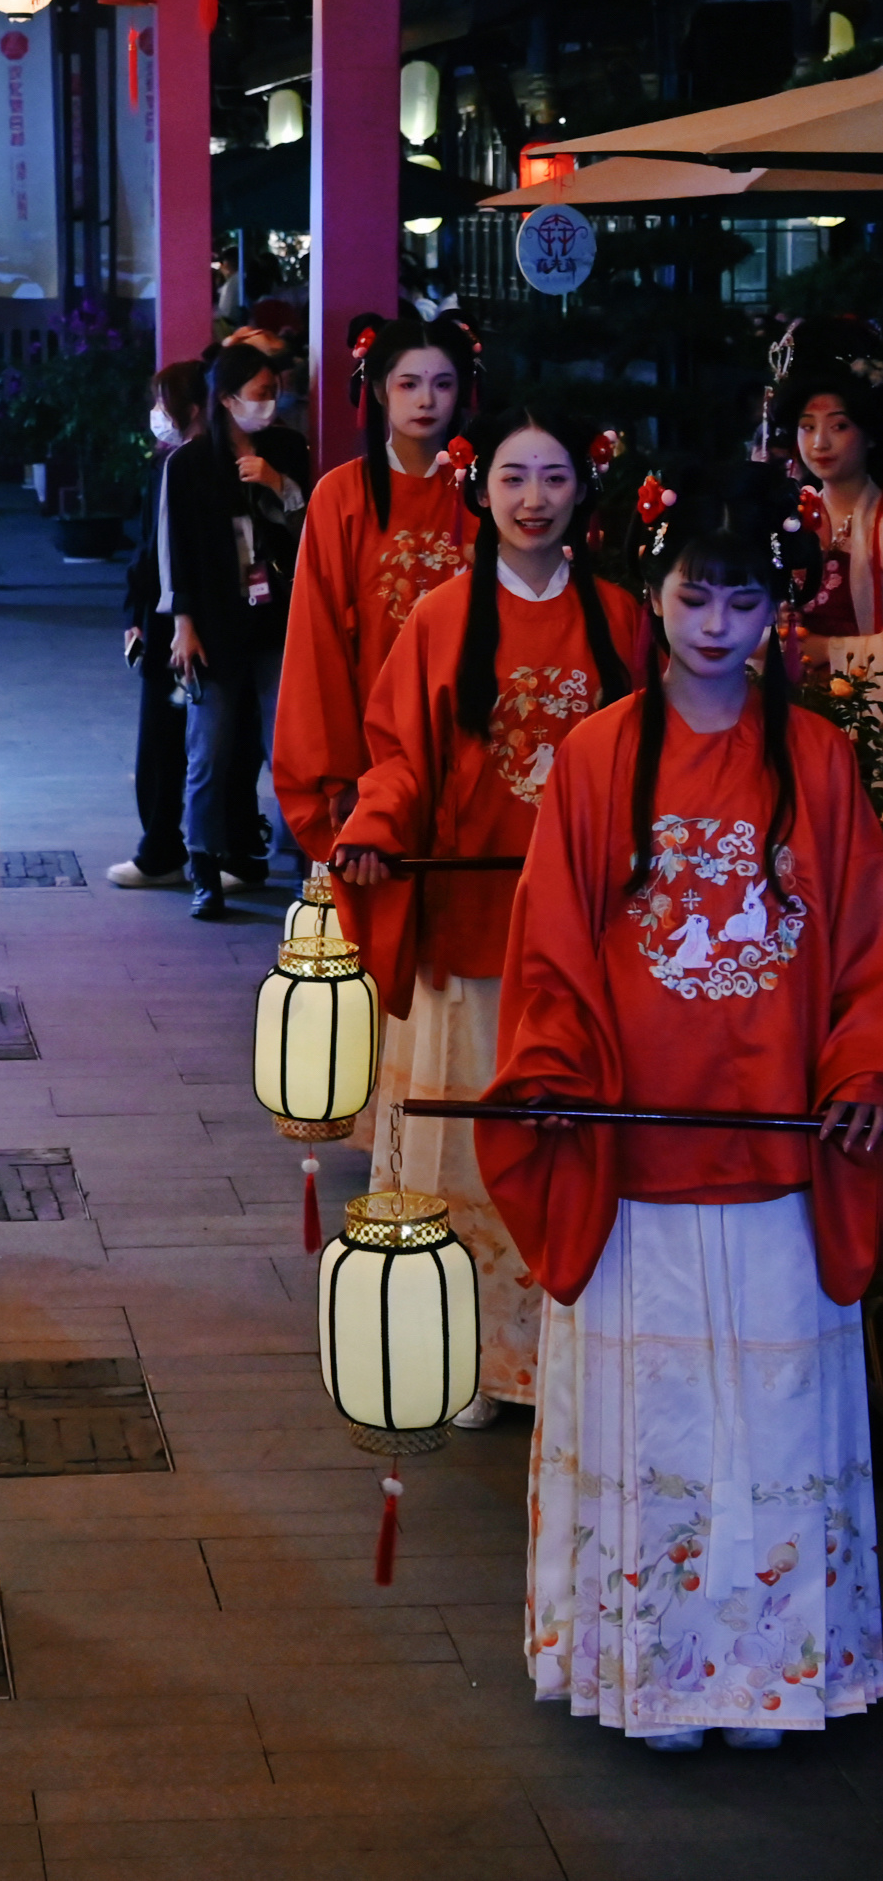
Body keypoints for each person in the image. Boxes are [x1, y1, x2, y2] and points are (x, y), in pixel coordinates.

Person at [480, 463, 883, 1751]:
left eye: (743, 603)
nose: (716, 626)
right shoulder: (595, 758)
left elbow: (867, 947)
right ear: (654, 600)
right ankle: (644, 1675)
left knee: (767, 1416)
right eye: (694, 599)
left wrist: (861, 1069)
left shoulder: (818, 761)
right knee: (651, 1418)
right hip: (638, 1145)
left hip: (777, 1145)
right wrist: (548, 1075)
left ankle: (767, 1677)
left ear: (777, 615)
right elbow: (548, 948)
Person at [330, 409, 641, 1415]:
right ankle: (466, 1355)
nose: (533, 498)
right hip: (472, 917)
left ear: (582, 492)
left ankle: (566, 1351)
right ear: (480, 489)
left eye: (553, 477)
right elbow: (400, 758)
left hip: (583, 927)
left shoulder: (625, 619)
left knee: (568, 1143)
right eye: (513, 477)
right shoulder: (440, 618)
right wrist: (375, 826)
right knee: (466, 1148)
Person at [273, 314, 480, 862]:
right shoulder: (340, 495)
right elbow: (317, 642)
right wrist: (337, 772)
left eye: (443, 383)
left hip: (475, 734)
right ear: (379, 389)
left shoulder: (488, 492)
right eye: (408, 383)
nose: (426, 400)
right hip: (373, 737)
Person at [165, 341, 313, 920]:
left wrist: (278, 484)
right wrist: (183, 623)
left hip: (277, 618)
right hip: (216, 623)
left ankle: (305, 862)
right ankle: (203, 864)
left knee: (288, 746)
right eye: (258, 395)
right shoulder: (189, 464)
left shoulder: (287, 448)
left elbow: (314, 532)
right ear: (226, 400)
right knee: (211, 747)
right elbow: (175, 551)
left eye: (274, 393)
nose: (269, 405)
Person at [108, 361, 206, 892]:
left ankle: (162, 848)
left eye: (162, 404)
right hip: (166, 615)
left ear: (190, 409)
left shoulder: (181, 466)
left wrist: (142, 616)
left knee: (164, 744)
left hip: (173, 621)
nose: (156, 415)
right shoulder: (180, 461)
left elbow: (157, 554)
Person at [771, 330, 883, 667]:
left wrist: (825, 649)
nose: (820, 443)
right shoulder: (788, 517)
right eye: (807, 427)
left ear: (871, 435)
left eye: (839, 427)